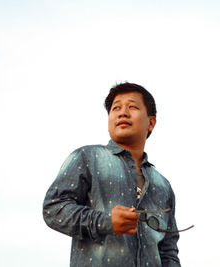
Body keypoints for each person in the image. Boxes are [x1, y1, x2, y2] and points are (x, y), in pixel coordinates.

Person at [43, 82, 182, 266]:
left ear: (151, 122)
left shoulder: (163, 185)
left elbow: (168, 251)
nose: (122, 112)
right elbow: (53, 209)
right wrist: (105, 221)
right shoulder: (88, 157)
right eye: (116, 107)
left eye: (132, 106)